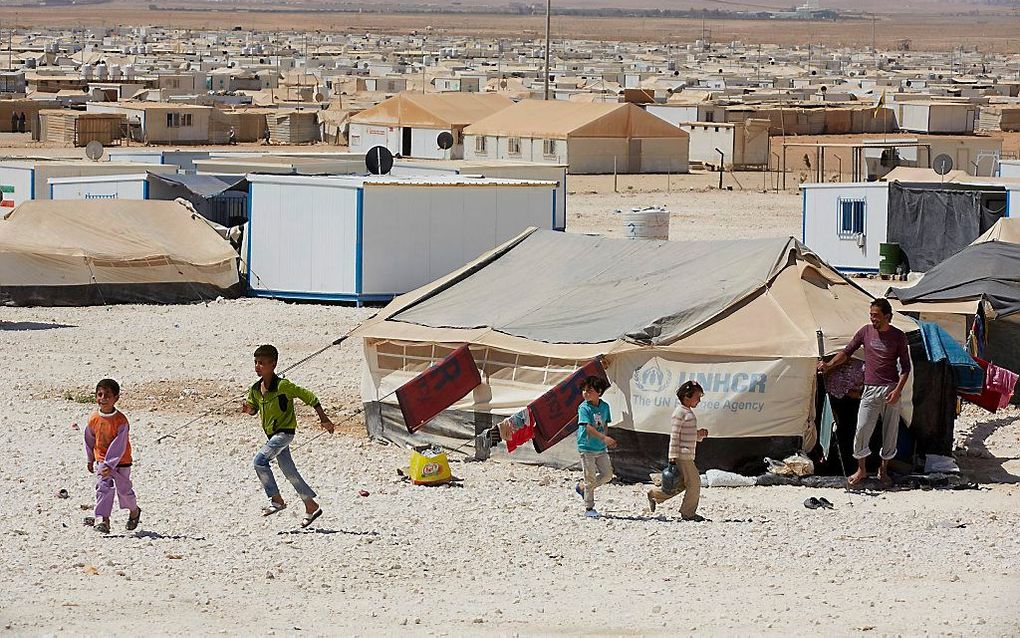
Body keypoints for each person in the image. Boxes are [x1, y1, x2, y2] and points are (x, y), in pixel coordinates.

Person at [818, 298, 911, 487]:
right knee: (862, 430)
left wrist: (898, 390)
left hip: (891, 389)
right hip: (869, 389)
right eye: (871, 315)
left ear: (887, 316)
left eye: (876, 316)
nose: (873, 319)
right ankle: (861, 469)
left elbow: (906, 368)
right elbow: (847, 352)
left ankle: (883, 470)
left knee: (890, 433)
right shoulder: (865, 332)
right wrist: (829, 366)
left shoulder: (898, 336)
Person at [241, 344, 335, 527]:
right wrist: (248, 409)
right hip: (272, 436)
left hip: (284, 433)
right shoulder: (254, 389)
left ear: (273, 364)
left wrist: (324, 419)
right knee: (289, 471)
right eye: (256, 363)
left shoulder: (283, 386)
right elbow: (253, 409)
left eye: (262, 363)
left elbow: (309, 397)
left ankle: (276, 500)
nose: (257, 366)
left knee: (260, 461)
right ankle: (311, 505)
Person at [84, 379, 142, 534]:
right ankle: (104, 520)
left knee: (124, 491)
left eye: (107, 395)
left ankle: (134, 511)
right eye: (99, 394)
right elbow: (89, 439)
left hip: (121, 462)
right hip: (102, 461)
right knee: (103, 488)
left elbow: (119, 445)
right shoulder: (94, 419)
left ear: (116, 398)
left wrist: (110, 464)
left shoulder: (121, 421)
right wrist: (91, 459)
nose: (103, 398)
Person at [646, 381, 709, 521]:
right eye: (697, 397)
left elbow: (687, 434)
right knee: (694, 483)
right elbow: (674, 436)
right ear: (687, 397)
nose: (699, 400)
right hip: (682, 455)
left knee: (681, 484)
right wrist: (672, 457)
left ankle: (655, 494)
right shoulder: (679, 412)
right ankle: (688, 513)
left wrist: (699, 435)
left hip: (686, 454)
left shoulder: (687, 412)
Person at [573, 376, 616, 519]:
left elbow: (605, 424)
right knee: (590, 476)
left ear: (599, 391)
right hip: (587, 447)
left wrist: (606, 440)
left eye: (589, 390)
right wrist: (604, 438)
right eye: (584, 390)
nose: (585, 393)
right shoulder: (583, 408)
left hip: (600, 447)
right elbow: (587, 426)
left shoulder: (605, 407)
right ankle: (589, 507)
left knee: (607, 475)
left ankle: (583, 488)